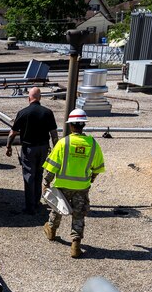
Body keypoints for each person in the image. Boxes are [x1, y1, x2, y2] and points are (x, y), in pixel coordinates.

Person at [42, 109, 106, 258]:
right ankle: (75, 244)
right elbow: (97, 167)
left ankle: (51, 231)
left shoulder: (63, 143)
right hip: (82, 187)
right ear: (83, 124)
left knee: (57, 208)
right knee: (79, 214)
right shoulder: (93, 144)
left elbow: (52, 166)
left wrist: (46, 182)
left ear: (71, 126)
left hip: (63, 185)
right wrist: (91, 179)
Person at [5, 87, 59, 214]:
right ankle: (36, 201)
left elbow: (13, 133)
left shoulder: (23, 112)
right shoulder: (48, 112)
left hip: (29, 149)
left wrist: (8, 147)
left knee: (29, 176)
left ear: (29, 98)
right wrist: (56, 149)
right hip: (43, 147)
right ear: (40, 98)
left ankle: (30, 207)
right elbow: (54, 134)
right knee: (39, 174)